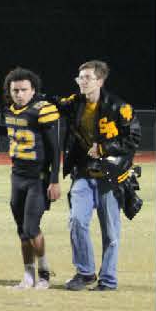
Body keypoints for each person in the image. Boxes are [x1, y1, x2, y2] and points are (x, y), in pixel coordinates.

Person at [59, 59, 139, 292]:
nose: (82, 81)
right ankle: (85, 273)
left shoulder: (119, 106)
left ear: (100, 81)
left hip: (110, 176)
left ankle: (108, 280)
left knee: (110, 232)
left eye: (87, 78)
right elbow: (52, 105)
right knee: (76, 220)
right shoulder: (75, 103)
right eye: (80, 77)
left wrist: (104, 149)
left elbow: (132, 139)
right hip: (83, 174)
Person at [3, 68, 63, 289]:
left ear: (33, 90)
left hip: (37, 179)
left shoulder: (42, 110)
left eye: (24, 90)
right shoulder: (9, 111)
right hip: (17, 177)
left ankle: (44, 273)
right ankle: (28, 275)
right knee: (21, 230)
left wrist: (54, 179)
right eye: (15, 90)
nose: (19, 94)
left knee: (31, 228)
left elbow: (55, 149)